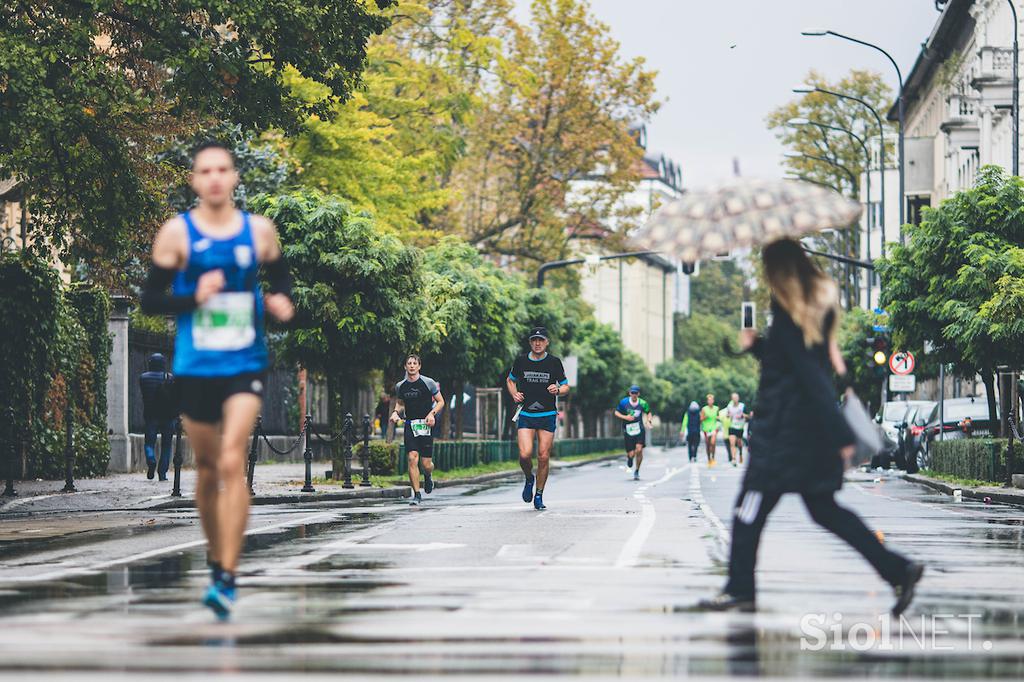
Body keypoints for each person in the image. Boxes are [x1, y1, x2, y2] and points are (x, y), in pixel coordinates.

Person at [698, 239, 923, 614]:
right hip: (805, 441)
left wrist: (842, 438)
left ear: (778, 271)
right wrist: (756, 347)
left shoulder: (790, 318)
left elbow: (812, 379)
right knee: (825, 511)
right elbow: (802, 364)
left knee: (746, 511)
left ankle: (740, 588)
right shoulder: (808, 314)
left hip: (783, 441)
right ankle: (898, 569)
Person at [140, 139, 295, 620]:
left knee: (232, 460)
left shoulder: (259, 233)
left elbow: (283, 288)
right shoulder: (177, 235)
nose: (213, 178)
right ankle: (215, 556)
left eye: (222, 169)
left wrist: (282, 306)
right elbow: (149, 299)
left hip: (244, 364)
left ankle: (228, 573)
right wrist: (194, 298)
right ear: (195, 180)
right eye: (204, 170)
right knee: (207, 468)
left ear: (234, 177)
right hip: (194, 366)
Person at [507, 327, 569, 510]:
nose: (537, 343)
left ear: (546, 342)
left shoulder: (554, 362)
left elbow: (566, 386)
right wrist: (514, 394)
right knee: (525, 454)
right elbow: (510, 380)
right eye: (534, 340)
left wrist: (558, 390)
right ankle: (528, 478)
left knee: (543, 456)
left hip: (547, 414)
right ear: (530, 342)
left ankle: (539, 495)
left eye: (541, 340)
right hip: (526, 413)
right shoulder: (521, 361)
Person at [391, 354, 444, 507]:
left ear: (419, 366)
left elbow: (441, 401)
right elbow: (400, 404)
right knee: (412, 458)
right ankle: (417, 494)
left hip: (426, 424)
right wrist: (395, 412)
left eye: (415, 363)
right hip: (411, 424)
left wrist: (431, 414)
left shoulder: (429, 383)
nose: (412, 366)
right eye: (409, 363)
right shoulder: (401, 386)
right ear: (405, 367)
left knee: (426, 464)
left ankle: (428, 475)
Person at [139, 352, 176, 481]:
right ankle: (162, 473)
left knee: (149, 443)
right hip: (167, 416)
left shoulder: (143, 378)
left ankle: (151, 460)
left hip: (150, 416)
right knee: (166, 445)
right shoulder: (169, 377)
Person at [614, 385, 652, 480]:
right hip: (628, 430)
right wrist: (625, 417)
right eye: (632, 393)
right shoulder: (624, 402)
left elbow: (649, 412)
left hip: (639, 429)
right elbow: (616, 413)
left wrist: (649, 421)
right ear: (629, 393)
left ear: (638, 394)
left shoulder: (643, 403)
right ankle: (630, 458)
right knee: (631, 453)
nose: (634, 395)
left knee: (639, 450)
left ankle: (637, 471)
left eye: (636, 393)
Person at [724, 392, 750, 467]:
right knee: (732, 443)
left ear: (738, 398)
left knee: (739, 443)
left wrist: (742, 415)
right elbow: (727, 415)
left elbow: (748, 416)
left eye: (736, 398)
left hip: (740, 427)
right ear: (732, 399)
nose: (735, 399)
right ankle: (734, 459)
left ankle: (741, 453)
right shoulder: (729, 406)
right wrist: (728, 415)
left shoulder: (742, 406)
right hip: (732, 426)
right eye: (733, 398)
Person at [700, 394, 720, 466]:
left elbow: (718, 417)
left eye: (711, 400)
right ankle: (709, 459)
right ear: (707, 401)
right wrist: (705, 417)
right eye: (709, 400)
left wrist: (718, 418)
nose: (710, 401)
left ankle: (713, 457)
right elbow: (701, 419)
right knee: (708, 445)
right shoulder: (704, 409)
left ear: (713, 401)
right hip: (706, 429)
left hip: (714, 428)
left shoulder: (716, 408)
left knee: (713, 443)